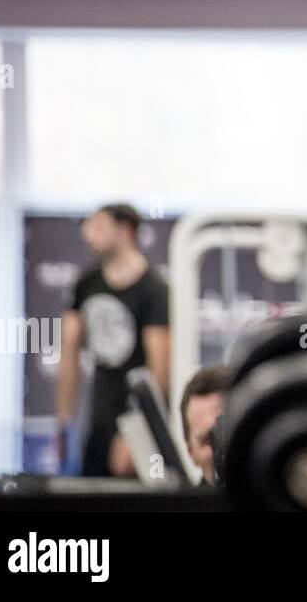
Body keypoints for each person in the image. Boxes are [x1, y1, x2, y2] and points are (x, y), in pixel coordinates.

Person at [57, 204, 171, 477]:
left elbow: (159, 367)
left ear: (124, 231)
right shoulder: (87, 283)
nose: (88, 234)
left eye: (98, 227)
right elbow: (69, 350)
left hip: (137, 418)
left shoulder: (153, 288)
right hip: (98, 416)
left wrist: (139, 430)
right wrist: (63, 420)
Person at [178, 365, 229, 486]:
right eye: (207, 440)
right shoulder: (186, 505)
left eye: (226, 434)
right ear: (191, 453)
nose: (220, 450)